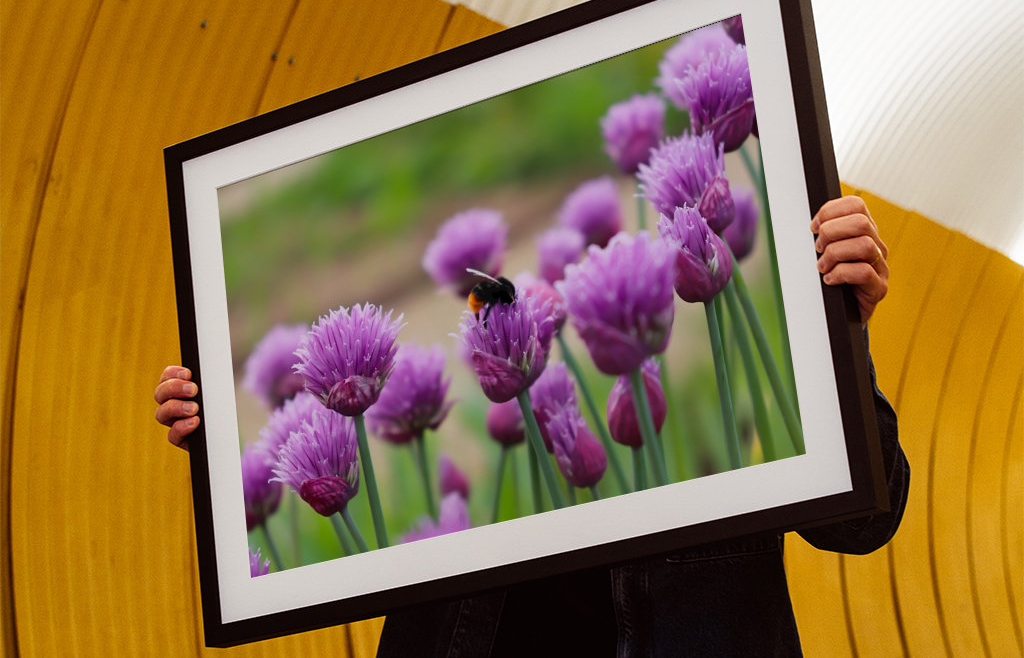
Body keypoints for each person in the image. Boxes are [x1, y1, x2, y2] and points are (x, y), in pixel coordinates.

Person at [154, 196, 908, 656]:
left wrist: (841, 329)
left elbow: (865, 523)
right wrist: (219, 447)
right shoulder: (485, 441)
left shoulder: (695, 394)